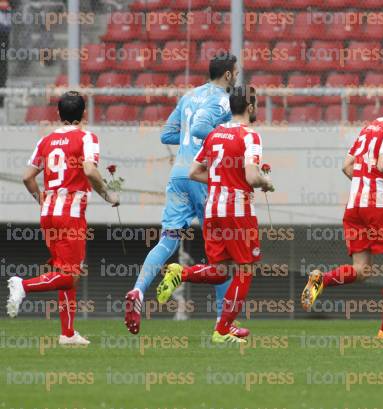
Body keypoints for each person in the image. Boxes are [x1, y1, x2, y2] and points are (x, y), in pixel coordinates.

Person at [124, 52, 249, 338]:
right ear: (228, 75)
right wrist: (219, 137)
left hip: (179, 174)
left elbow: (167, 134)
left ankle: (137, 291)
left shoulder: (189, 96)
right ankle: (223, 323)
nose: (238, 77)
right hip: (203, 176)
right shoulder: (223, 100)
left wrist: (186, 140)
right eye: (237, 73)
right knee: (222, 255)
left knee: (167, 241)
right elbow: (205, 129)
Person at [301, 88, 383, 339]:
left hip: (355, 206)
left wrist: (365, 185)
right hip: (382, 207)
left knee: (361, 270)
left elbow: (347, 166)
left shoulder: (369, 128)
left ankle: (323, 279)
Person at [156, 85, 274, 343]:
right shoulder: (250, 136)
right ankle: (222, 330)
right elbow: (253, 176)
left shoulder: (215, 135)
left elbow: (194, 172)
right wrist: (266, 182)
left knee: (220, 271)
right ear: (251, 108)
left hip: (212, 209)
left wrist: (223, 178)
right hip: (237, 210)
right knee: (245, 271)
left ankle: (181, 273)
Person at [6, 91, 119, 344]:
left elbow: (27, 177)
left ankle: (67, 334)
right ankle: (23, 285)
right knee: (70, 275)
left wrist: (41, 200)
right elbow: (90, 170)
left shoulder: (45, 141)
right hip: (70, 214)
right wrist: (109, 195)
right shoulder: (87, 137)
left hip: (48, 214)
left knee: (65, 272)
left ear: (59, 113)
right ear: (84, 114)